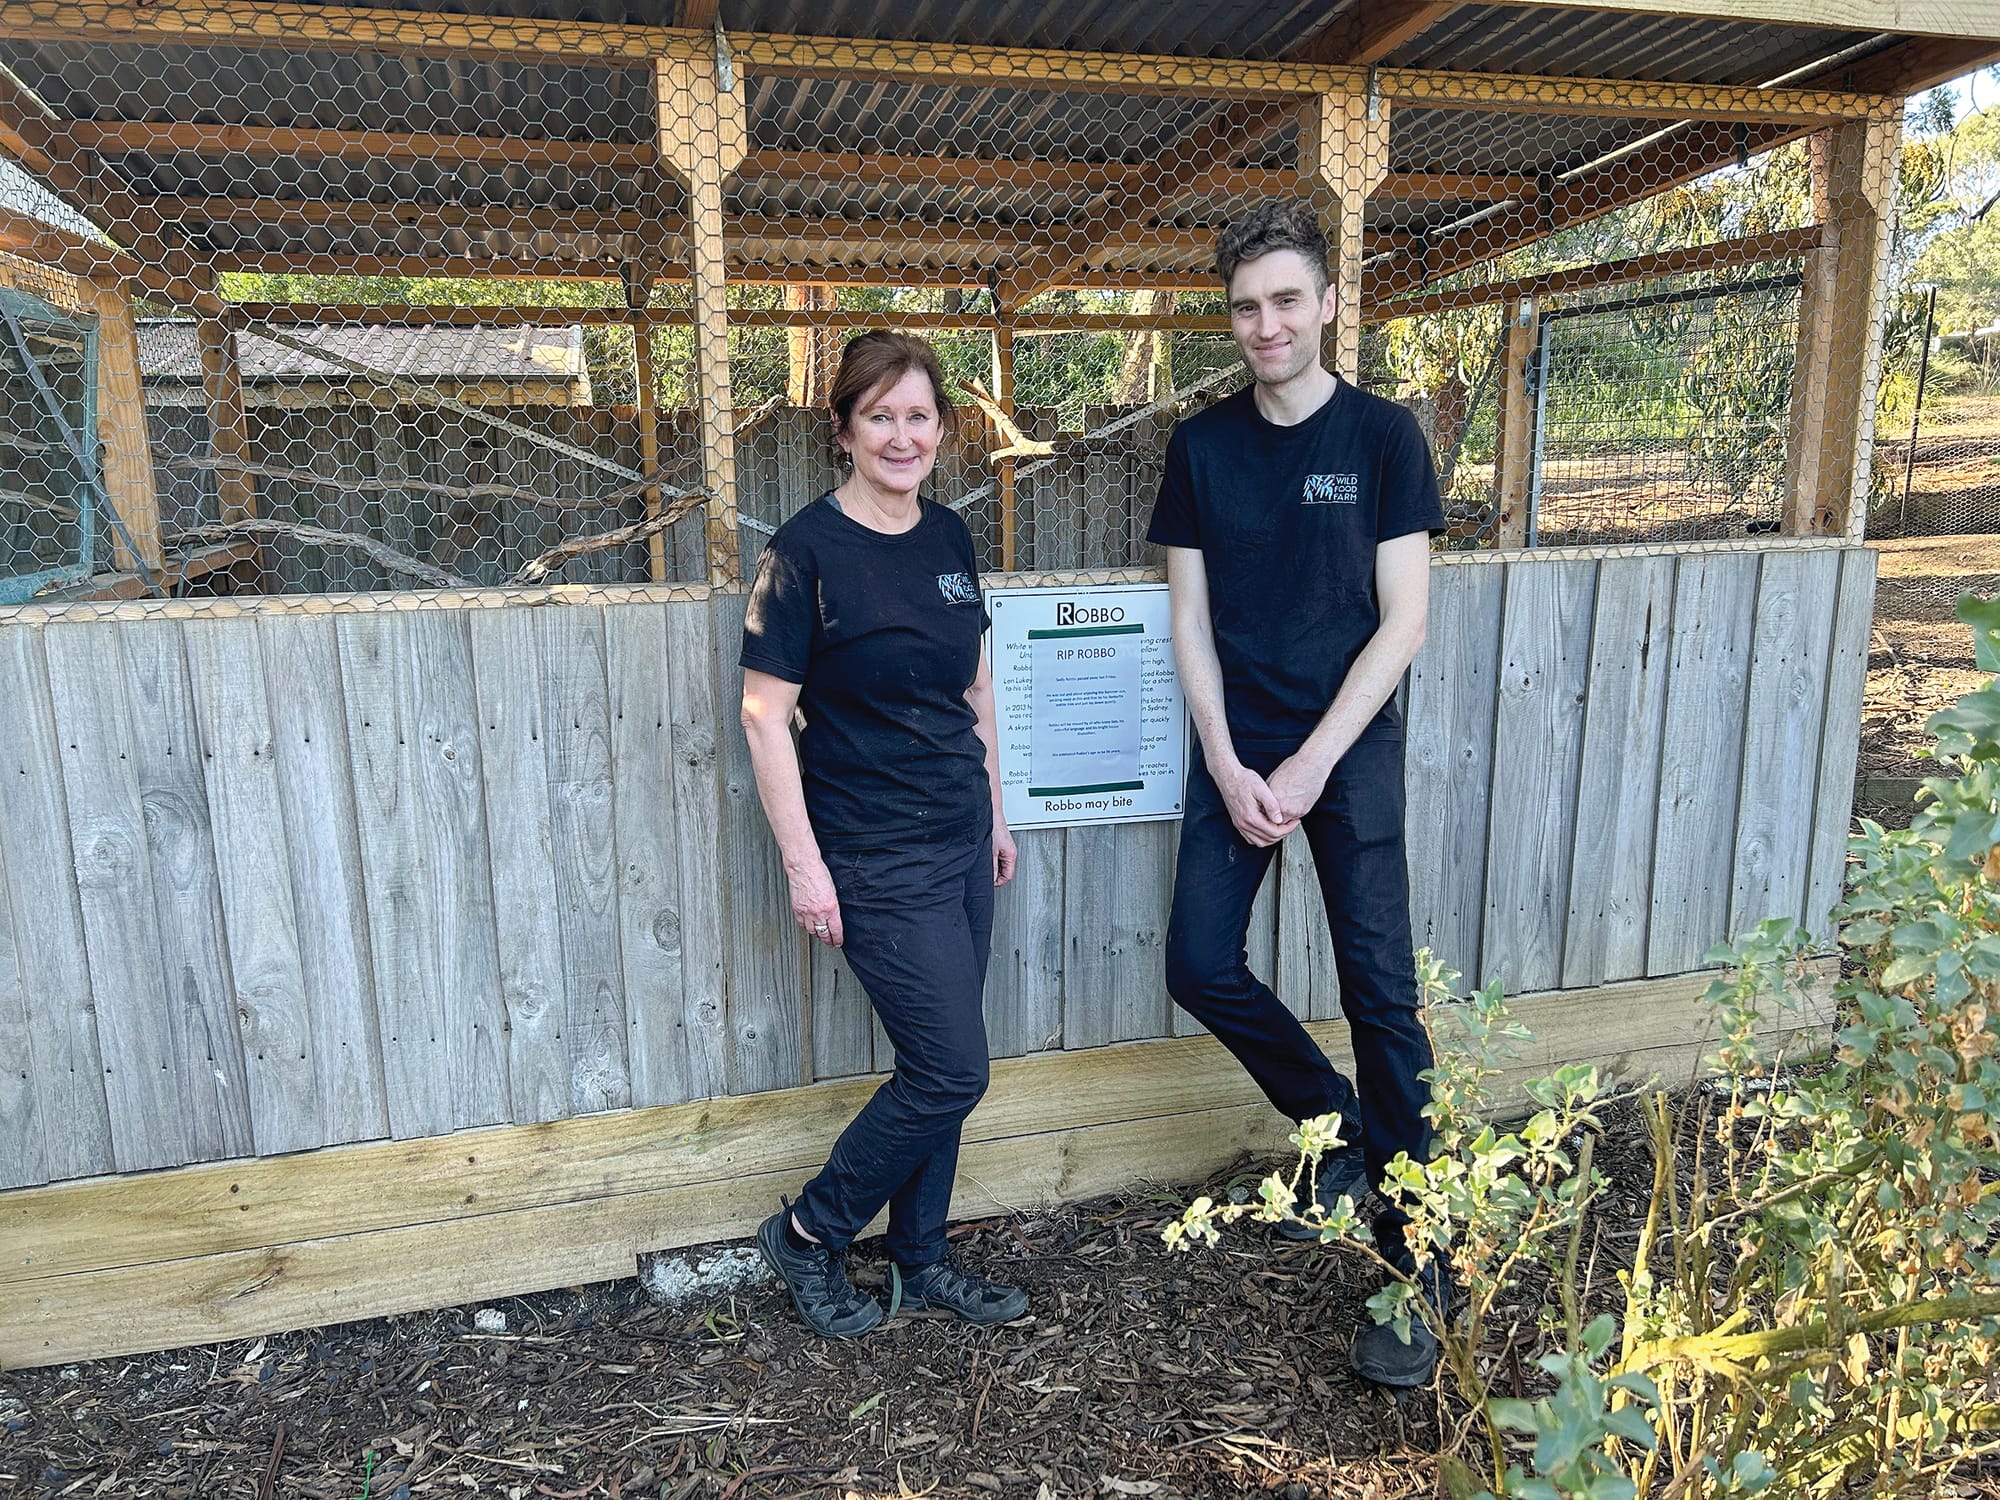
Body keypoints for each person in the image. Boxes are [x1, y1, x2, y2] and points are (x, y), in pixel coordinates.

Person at [1145, 199, 1446, 1387]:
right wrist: (1224, 761)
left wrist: (1313, 759)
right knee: (1197, 962)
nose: (1263, 324)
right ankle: (1338, 1124)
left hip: (1347, 749)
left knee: (1382, 995)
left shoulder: (1382, 439)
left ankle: (1413, 1272)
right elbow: (1188, 621)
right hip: (1237, 743)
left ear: (1326, 304)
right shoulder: (1201, 449)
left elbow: (1404, 620)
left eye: (1284, 300)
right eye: (1242, 307)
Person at [739, 331, 1029, 1339]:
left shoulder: (949, 537)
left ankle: (918, 1256)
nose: (900, 435)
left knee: (942, 1063)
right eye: (879, 416)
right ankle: (810, 1232)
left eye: (917, 416)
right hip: (870, 852)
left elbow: (976, 685)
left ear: (941, 431)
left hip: (958, 841)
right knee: (950, 1069)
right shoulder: (802, 555)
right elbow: (763, 716)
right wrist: (805, 867)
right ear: (844, 430)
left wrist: (995, 810)